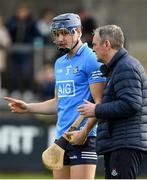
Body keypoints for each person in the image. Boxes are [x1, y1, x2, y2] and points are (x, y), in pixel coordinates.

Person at [4, 13, 106, 179]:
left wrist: (84, 131)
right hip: (61, 139)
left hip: (84, 138)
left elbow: (100, 104)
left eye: (65, 33)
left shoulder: (91, 59)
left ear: (78, 32)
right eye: (57, 34)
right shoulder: (60, 63)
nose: (61, 38)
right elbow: (57, 103)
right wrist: (28, 107)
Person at [77, 24, 147, 179]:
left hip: (124, 144)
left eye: (94, 44)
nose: (92, 48)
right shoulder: (118, 67)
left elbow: (131, 104)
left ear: (106, 44)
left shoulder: (125, 67)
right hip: (120, 142)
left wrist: (96, 110)